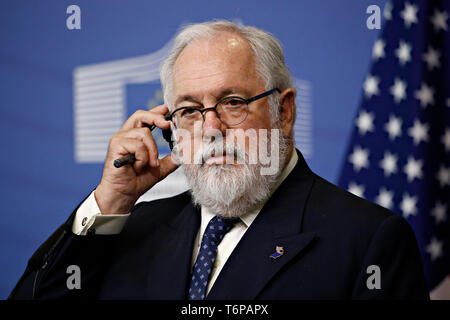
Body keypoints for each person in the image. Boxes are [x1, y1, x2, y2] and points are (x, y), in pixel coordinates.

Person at [10, 20, 429, 300]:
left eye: (232, 103)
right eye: (190, 110)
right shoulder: (130, 227)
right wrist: (109, 203)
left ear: (283, 112)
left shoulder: (369, 240)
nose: (210, 130)